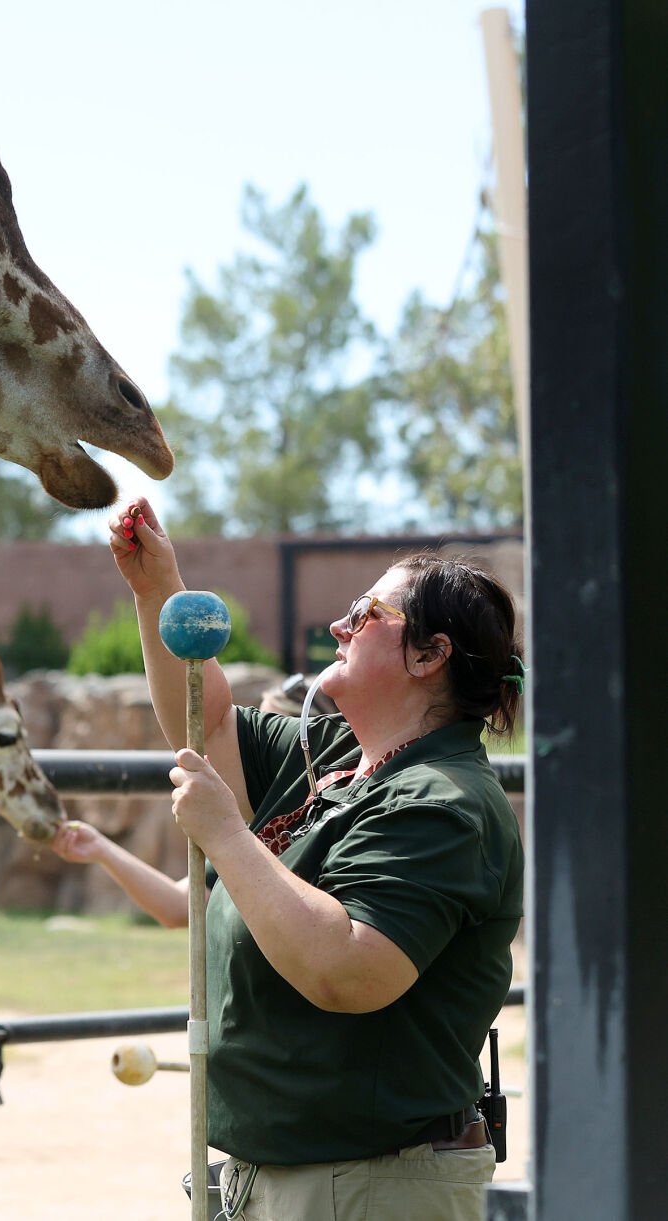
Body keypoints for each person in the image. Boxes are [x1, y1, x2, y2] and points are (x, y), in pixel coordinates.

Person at [51, 498, 524, 1220]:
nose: (338, 625)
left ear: (431, 655)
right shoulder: (334, 755)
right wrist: (157, 588)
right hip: (294, 1181)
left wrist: (228, 837)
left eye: (366, 614)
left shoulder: (442, 802)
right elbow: (206, 720)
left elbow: (348, 970)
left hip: (369, 1187)